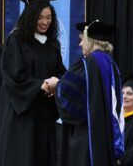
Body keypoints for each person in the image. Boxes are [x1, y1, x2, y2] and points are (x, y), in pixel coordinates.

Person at [0, 0, 66, 166]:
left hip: (44, 111)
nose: (45, 22)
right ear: (30, 17)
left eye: (49, 17)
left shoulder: (53, 44)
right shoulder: (16, 40)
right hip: (21, 114)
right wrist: (41, 85)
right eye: (40, 17)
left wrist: (56, 85)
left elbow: (60, 72)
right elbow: (13, 76)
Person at [52, 21, 125, 166]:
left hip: (86, 135)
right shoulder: (111, 64)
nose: (80, 44)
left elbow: (67, 94)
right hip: (104, 134)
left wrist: (57, 84)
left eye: (82, 40)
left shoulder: (89, 63)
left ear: (90, 42)